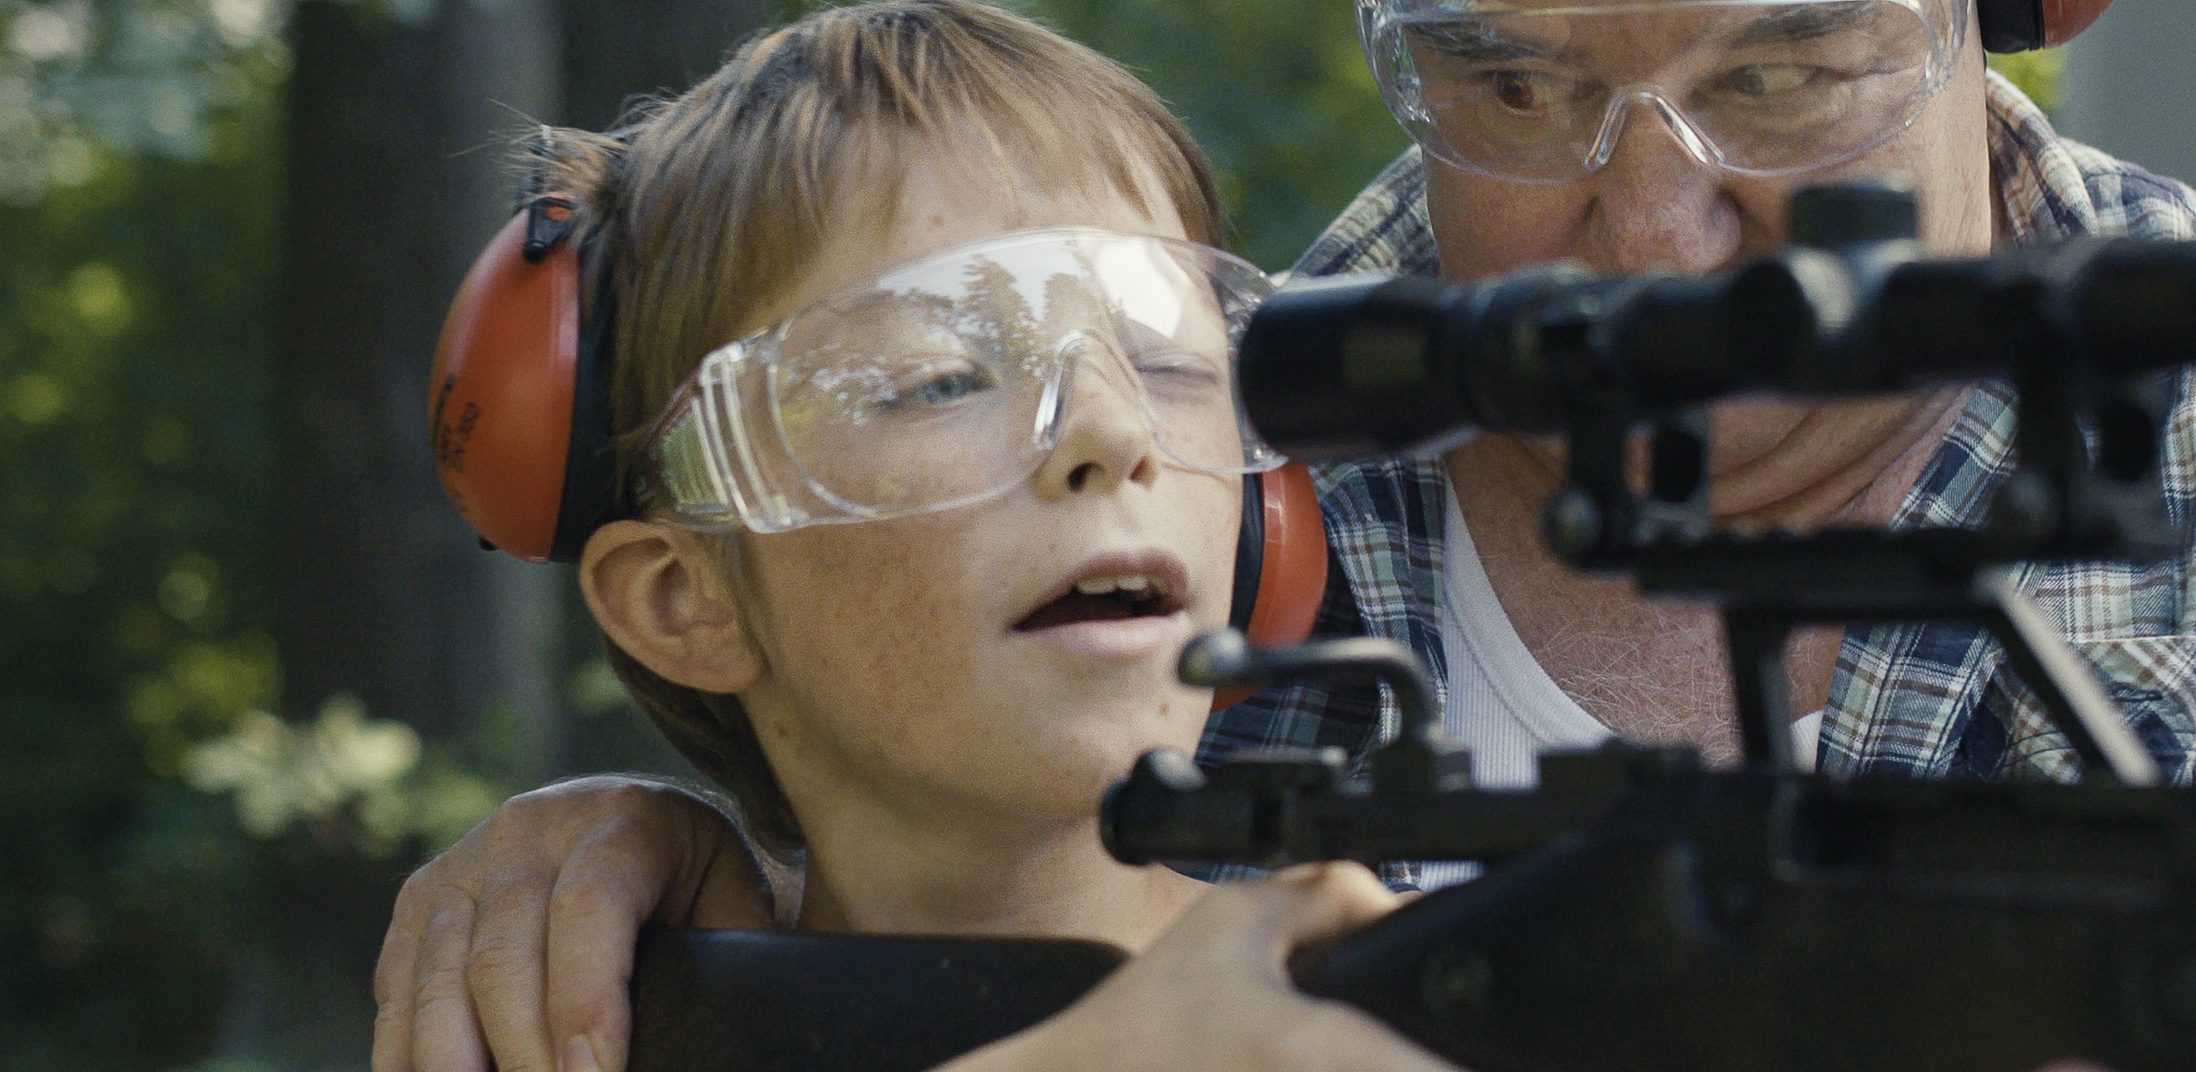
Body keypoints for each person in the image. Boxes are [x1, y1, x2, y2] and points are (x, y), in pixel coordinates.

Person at [376, 0, 2196, 1069]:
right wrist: (659, 843)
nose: (1656, 225)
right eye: (1519, 91)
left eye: (1784, 75)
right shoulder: (1245, 407)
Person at [388, 4, 1462, 1072]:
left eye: (1167, 361)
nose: (1111, 429)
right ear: (685, 599)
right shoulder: (607, 1035)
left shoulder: (1430, 1006)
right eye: (937, 379)